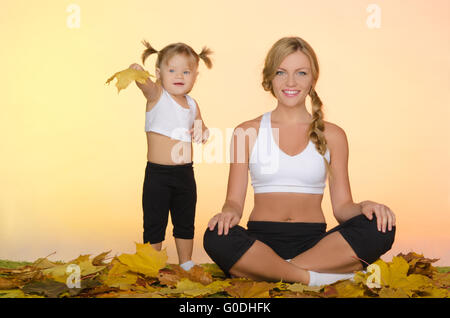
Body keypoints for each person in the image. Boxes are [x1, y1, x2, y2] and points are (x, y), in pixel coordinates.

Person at [203, 36, 396, 286]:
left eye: (301, 73)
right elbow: (233, 202)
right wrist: (227, 214)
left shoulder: (333, 135)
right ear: (269, 77)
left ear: (312, 79)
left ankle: (269, 272)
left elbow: (342, 207)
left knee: (382, 227)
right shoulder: (246, 132)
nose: (291, 82)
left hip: (316, 245)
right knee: (215, 236)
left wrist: (365, 207)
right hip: (260, 242)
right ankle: (312, 278)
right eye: (281, 72)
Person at [129, 40, 212, 271]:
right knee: (155, 221)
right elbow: (144, 85)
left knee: (185, 220)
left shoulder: (193, 104)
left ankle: (185, 261)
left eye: (186, 71)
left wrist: (202, 132)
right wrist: (137, 74)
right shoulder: (157, 96)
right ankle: (152, 262)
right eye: (172, 70)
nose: (179, 76)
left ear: (195, 76)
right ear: (159, 73)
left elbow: (201, 128)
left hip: (185, 174)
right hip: (158, 174)